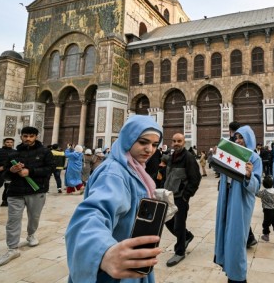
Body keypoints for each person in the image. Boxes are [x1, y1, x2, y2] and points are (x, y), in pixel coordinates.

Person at [65, 115, 164, 282]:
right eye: (143, 142)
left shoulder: (133, 168)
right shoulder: (114, 173)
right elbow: (91, 216)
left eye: (154, 145)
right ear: (127, 139)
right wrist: (103, 251)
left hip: (130, 260)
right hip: (116, 271)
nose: (150, 149)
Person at [0, 126, 55, 267]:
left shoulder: (45, 152)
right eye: (25, 136)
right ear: (21, 136)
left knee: (34, 217)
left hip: (36, 190)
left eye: (31, 136)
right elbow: (5, 175)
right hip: (16, 191)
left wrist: (30, 171)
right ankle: (12, 248)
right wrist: (12, 170)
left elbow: (50, 168)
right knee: (13, 220)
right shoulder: (13, 154)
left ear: (36, 137)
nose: (28, 139)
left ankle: (31, 234)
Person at [214, 125, 262, 283]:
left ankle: (238, 277)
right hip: (226, 199)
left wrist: (249, 175)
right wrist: (215, 157)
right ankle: (229, 268)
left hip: (240, 204)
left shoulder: (254, 159)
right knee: (225, 234)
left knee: (236, 240)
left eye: (242, 137)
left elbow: (256, 187)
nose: (239, 140)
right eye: (236, 138)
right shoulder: (230, 154)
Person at [164, 133, 202, 267]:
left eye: (179, 141)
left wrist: (186, 195)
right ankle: (187, 237)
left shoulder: (189, 158)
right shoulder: (171, 157)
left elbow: (195, 178)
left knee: (179, 225)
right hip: (169, 196)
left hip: (180, 197)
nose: (176, 143)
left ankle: (180, 252)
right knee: (167, 221)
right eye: (174, 141)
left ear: (184, 142)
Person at [256, 175, 274, 247]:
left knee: (266, 224)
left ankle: (266, 235)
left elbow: (257, 193)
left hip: (267, 211)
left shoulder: (264, 192)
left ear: (264, 185)